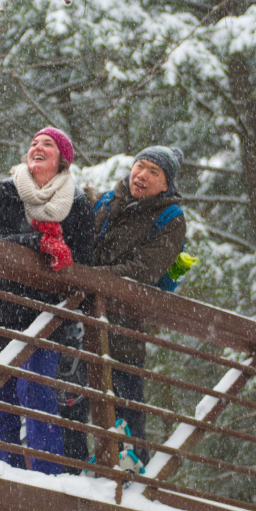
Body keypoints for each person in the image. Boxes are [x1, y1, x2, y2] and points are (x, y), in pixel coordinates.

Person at [0, 127, 95, 475]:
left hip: (44, 319)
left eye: (48, 144)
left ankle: (45, 484)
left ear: (63, 160)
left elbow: (84, 262)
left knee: (38, 402)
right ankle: (0, 480)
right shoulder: (6, 191)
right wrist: (37, 243)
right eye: (34, 143)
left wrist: (62, 254)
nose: (37, 147)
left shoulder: (78, 205)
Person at [83, 145, 188, 472]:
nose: (141, 175)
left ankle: (130, 482)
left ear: (165, 185)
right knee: (76, 399)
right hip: (80, 315)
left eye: (153, 172)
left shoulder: (170, 218)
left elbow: (145, 270)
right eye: (139, 166)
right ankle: (78, 473)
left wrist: (91, 278)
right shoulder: (105, 200)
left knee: (126, 407)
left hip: (125, 326)